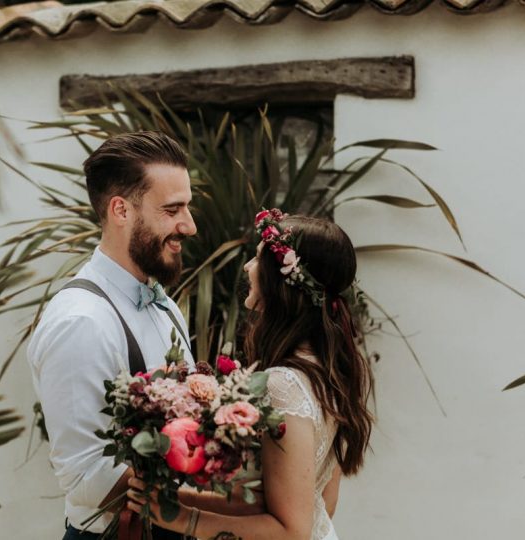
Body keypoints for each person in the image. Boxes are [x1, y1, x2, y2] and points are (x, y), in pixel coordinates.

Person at [126, 210, 373, 540]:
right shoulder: (330, 374)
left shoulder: (283, 385)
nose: (247, 267)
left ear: (281, 281)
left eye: (257, 259)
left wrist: (186, 520)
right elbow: (320, 505)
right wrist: (169, 499)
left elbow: (291, 530)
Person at [27, 131, 198, 539]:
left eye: (187, 208)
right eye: (172, 210)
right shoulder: (81, 322)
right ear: (121, 210)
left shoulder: (165, 306)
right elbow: (85, 476)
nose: (188, 226)